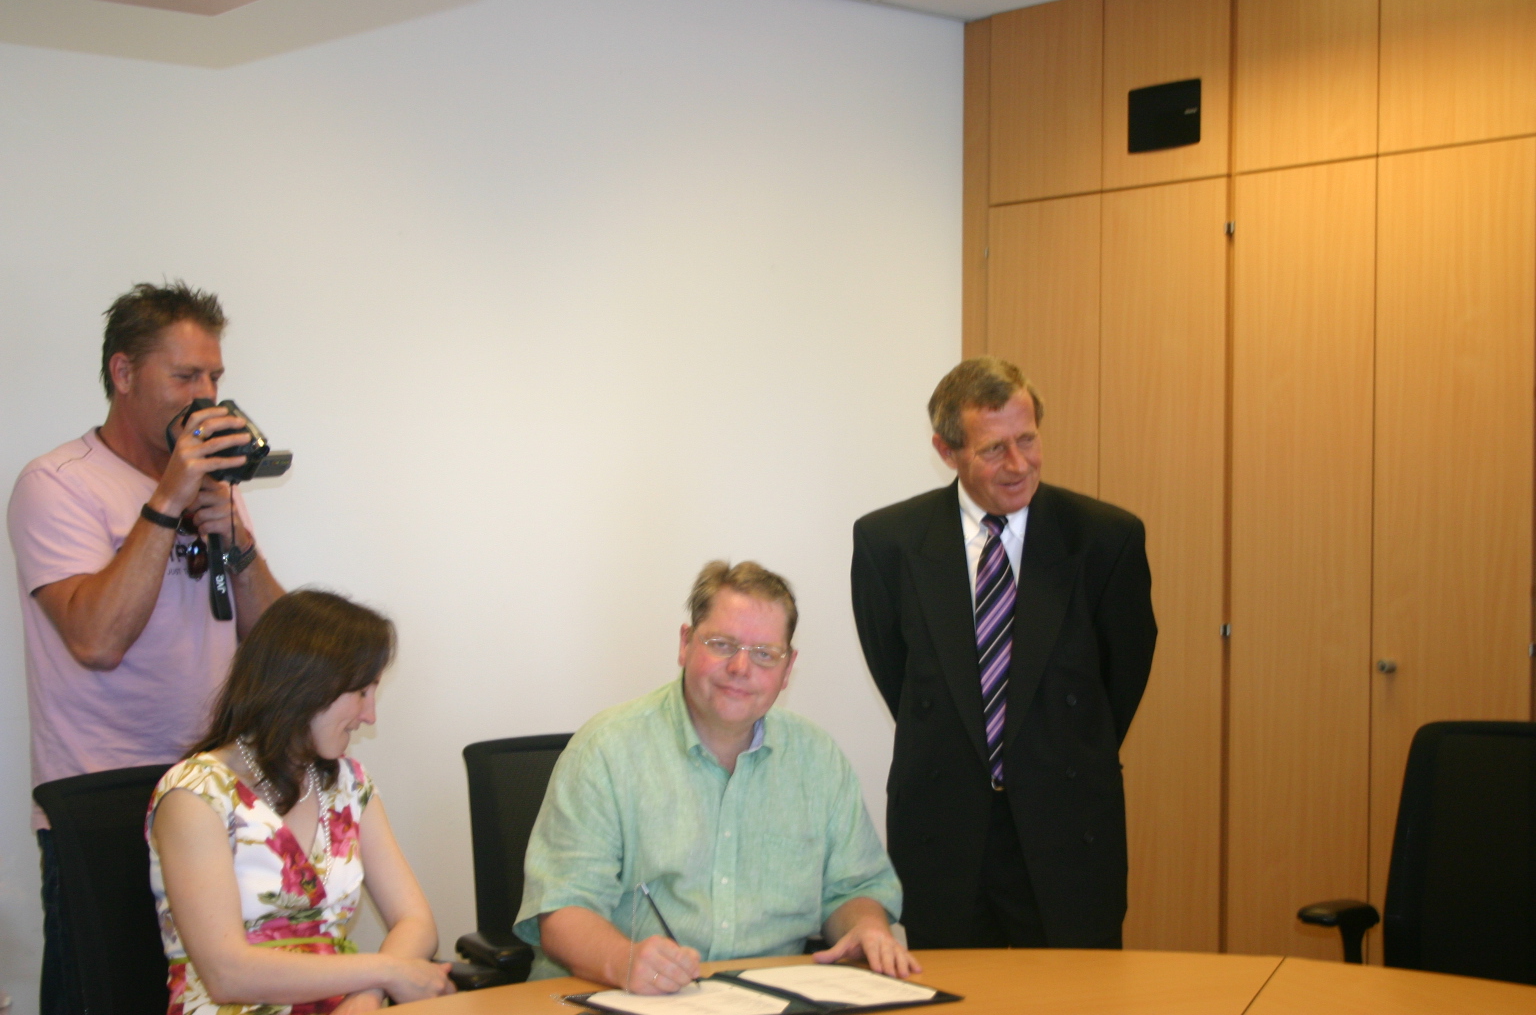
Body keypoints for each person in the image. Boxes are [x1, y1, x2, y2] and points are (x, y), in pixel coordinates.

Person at [7, 281, 285, 1012]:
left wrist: (238, 542)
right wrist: (166, 500)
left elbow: (280, 651)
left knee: (215, 999)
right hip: (104, 801)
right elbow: (97, 640)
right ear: (124, 372)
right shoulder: (55, 484)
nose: (207, 397)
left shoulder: (216, 488)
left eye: (215, 377)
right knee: (109, 998)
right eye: (186, 376)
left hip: (211, 794)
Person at [851, 356, 1157, 950]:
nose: (1018, 464)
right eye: (994, 449)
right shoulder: (888, 543)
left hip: (1068, 829)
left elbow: (1120, 681)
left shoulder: (1106, 539)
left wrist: (1049, 747)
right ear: (946, 450)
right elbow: (900, 677)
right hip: (942, 833)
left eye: (1028, 439)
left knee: (1077, 995)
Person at [516, 561, 917, 993]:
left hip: (769, 998)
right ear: (685, 644)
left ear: (787, 669)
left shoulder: (818, 760)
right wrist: (622, 961)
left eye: (765, 654)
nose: (741, 668)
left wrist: (866, 927)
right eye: (722, 645)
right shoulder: (606, 750)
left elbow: (853, 888)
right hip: (615, 995)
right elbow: (561, 909)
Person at [147, 589, 454, 1013]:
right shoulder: (195, 794)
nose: (370, 715)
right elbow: (226, 974)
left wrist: (365, 997)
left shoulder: (349, 784)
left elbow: (415, 921)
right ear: (306, 685)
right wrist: (385, 972)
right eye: (361, 692)